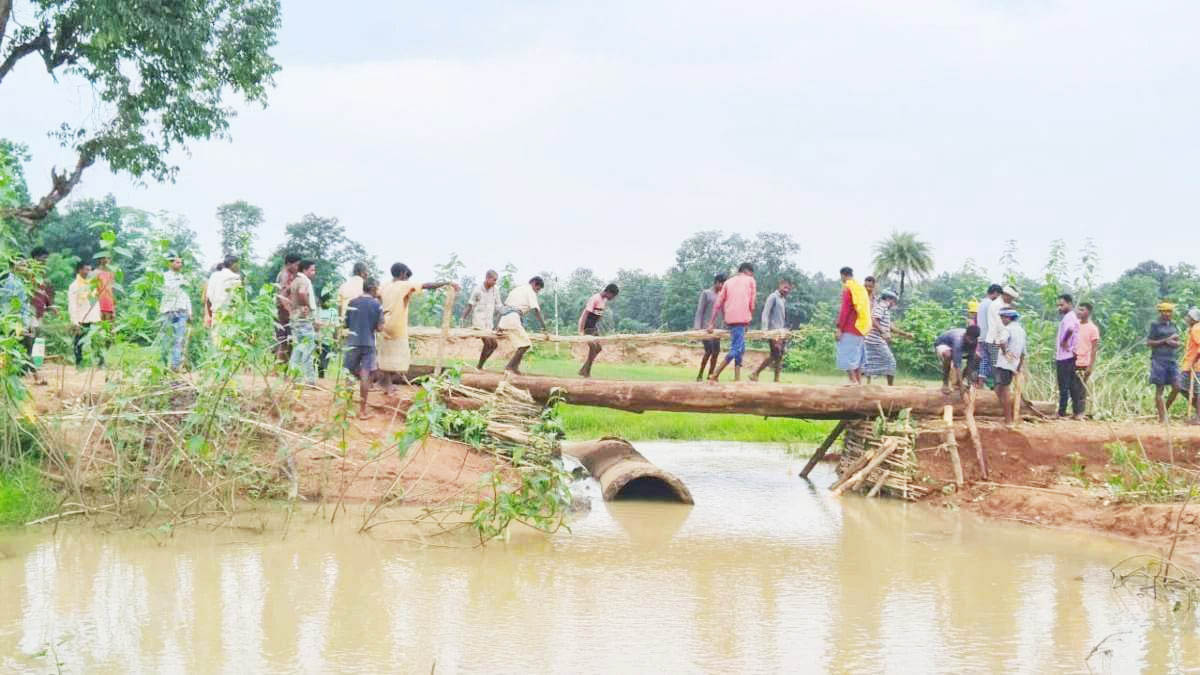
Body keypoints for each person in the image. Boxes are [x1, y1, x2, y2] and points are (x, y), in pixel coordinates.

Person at [377, 263, 460, 392]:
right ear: (402, 273)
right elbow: (427, 285)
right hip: (397, 324)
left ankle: (385, 382)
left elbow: (377, 297)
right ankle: (385, 382)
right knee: (401, 358)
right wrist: (447, 283)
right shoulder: (404, 285)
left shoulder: (385, 286)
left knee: (386, 354)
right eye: (406, 276)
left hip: (383, 323)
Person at [707, 263, 756, 382]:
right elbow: (752, 303)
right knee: (736, 349)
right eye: (751, 273)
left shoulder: (728, 282)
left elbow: (718, 304)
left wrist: (711, 323)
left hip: (730, 320)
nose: (751, 275)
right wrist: (749, 321)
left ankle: (737, 378)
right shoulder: (750, 280)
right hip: (741, 320)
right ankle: (715, 375)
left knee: (741, 348)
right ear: (747, 271)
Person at [344, 278, 383, 419]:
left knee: (348, 375)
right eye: (377, 289)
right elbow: (380, 328)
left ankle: (347, 409)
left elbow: (346, 324)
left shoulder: (352, 302)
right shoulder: (377, 305)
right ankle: (362, 411)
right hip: (368, 344)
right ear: (373, 289)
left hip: (352, 342)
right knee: (365, 375)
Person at [497, 276, 548, 375]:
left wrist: (498, 325)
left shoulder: (517, 289)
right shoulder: (530, 291)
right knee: (525, 345)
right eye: (537, 289)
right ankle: (509, 367)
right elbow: (536, 310)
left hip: (506, 318)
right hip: (513, 319)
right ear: (534, 283)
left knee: (521, 344)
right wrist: (544, 327)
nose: (537, 292)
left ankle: (515, 367)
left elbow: (504, 307)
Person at [863, 290, 911, 385]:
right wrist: (883, 331)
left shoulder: (885, 309)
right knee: (891, 362)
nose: (894, 303)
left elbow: (890, 327)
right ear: (889, 299)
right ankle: (890, 388)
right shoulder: (882, 306)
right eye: (894, 301)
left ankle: (867, 385)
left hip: (874, 341)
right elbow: (874, 320)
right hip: (875, 341)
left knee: (870, 363)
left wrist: (905, 334)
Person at [834, 266, 871, 384]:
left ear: (843, 275)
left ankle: (854, 382)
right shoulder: (860, 288)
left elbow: (845, 310)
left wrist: (839, 328)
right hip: (861, 328)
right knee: (857, 358)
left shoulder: (848, 288)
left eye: (841, 277)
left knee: (846, 355)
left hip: (850, 328)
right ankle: (859, 383)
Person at [750, 278, 791, 383]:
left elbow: (782, 317)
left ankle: (776, 379)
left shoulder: (783, 299)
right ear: (780, 285)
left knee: (779, 355)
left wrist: (785, 330)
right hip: (773, 332)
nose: (786, 290)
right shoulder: (773, 297)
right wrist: (765, 330)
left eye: (788, 288)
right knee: (776, 353)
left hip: (781, 332)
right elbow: (765, 313)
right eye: (785, 287)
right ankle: (756, 373)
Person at [287, 260, 320, 385]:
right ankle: (310, 379)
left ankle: (294, 377)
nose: (314, 272)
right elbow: (301, 293)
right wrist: (308, 306)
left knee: (298, 348)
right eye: (312, 270)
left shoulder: (295, 280)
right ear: (304, 270)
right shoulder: (304, 281)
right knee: (308, 348)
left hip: (295, 317)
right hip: (303, 318)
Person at [1147, 302, 1180, 423]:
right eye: (1165, 311)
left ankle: (1163, 409)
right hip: (1158, 360)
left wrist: (1175, 343)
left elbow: (1177, 342)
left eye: (1169, 311)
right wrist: (1166, 340)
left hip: (1172, 360)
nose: (1167, 314)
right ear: (1160, 312)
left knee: (1177, 387)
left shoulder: (1173, 325)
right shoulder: (1155, 325)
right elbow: (1149, 343)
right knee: (1159, 389)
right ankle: (1163, 418)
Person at [461, 269, 501, 370]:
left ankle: (480, 365)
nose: (495, 282)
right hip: (479, 322)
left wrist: (504, 313)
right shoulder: (477, 289)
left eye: (496, 280)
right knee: (488, 343)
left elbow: (499, 305)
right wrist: (462, 319)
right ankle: (479, 366)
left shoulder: (495, 290)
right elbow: (470, 304)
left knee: (494, 345)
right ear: (487, 278)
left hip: (489, 323)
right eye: (494, 280)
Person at [1165, 308, 1200, 424]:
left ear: (1193, 319)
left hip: (1194, 366)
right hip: (1190, 365)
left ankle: (1198, 418)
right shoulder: (1193, 329)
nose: (1186, 318)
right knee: (1187, 389)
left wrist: (1193, 362)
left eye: (1188, 317)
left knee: (1181, 386)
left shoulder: (1196, 329)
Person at [577, 283, 619, 378]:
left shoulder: (603, 301)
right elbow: (585, 314)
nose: (612, 298)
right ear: (608, 292)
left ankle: (583, 369)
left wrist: (597, 329)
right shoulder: (595, 298)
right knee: (593, 348)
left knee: (598, 348)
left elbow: (598, 316)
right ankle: (586, 372)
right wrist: (581, 330)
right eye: (613, 296)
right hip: (587, 326)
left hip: (593, 327)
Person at [159, 252, 192, 371]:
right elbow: (168, 290)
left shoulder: (183, 278)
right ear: (170, 263)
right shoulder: (164, 276)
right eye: (177, 262)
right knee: (165, 340)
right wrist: (180, 282)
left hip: (182, 311)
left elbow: (186, 295)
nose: (180, 264)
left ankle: (175, 366)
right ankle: (162, 366)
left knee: (179, 340)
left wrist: (190, 311)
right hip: (168, 311)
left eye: (181, 262)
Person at [994, 308, 1026, 427]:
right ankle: (1005, 416)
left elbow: (1002, 341)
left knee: (1005, 390)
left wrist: (1005, 352)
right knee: (998, 389)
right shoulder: (1021, 331)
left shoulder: (1007, 329)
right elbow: (1023, 352)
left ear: (1008, 318)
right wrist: (1018, 366)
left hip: (1004, 363)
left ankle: (1008, 420)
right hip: (1013, 364)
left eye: (1002, 318)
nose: (1002, 320)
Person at [1054, 294, 1084, 419]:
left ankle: (1061, 412)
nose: (1059, 308)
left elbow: (1070, 329)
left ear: (1069, 304)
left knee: (1064, 386)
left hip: (1065, 357)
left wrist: (1064, 341)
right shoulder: (1070, 317)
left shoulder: (1069, 317)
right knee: (1072, 385)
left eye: (1062, 305)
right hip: (1069, 356)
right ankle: (1076, 412)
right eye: (1058, 306)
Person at [27, 247, 53, 384]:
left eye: (46, 259)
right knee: (29, 342)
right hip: (28, 312)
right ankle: (35, 375)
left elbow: (45, 293)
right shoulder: (28, 272)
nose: (45, 261)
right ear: (35, 258)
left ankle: (31, 370)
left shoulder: (41, 275)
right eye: (43, 258)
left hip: (38, 313)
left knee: (33, 341)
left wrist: (50, 306)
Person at [693, 274, 725, 382]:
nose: (722, 286)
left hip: (717, 329)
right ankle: (700, 374)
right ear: (716, 282)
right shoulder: (706, 293)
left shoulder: (722, 295)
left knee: (716, 352)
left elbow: (724, 312)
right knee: (709, 350)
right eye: (721, 283)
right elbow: (700, 310)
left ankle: (711, 375)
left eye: (723, 284)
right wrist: (697, 327)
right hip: (705, 329)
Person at [68, 261, 99, 367]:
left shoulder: (92, 285)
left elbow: (96, 302)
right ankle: (79, 362)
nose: (88, 272)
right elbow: (72, 305)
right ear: (79, 270)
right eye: (86, 269)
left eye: (90, 270)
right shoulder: (74, 286)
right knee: (79, 341)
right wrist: (75, 321)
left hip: (94, 318)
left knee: (97, 339)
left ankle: (100, 361)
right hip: (81, 318)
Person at [936, 325, 981, 393]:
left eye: (973, 340)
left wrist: (969, 381)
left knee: (977, 358)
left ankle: (958, 383)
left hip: (959, 348)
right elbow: (957, 366)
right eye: (970, 339)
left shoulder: (974, 340)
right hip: (943, 344)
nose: (971, 342)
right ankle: (945, 383)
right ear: (965, 335)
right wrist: (962, 385)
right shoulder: (958, 341)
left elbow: (970, 362)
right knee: (948, 355)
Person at [207, 256, 242, 343]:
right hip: (229, 313)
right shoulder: (235, 277)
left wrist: (210, 314)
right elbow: (238, 299)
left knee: (216, 341)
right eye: (237, 264)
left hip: (216, 312)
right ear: (232, 264)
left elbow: (208, 298)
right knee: (229, 341)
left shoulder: (214, 276)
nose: (238, 267)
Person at [1074, 301, 1100, 413]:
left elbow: (1094, 348)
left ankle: (1080, 412)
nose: (1079, 312)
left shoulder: (1093, 328)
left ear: (1088, 312)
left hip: (1084, 362)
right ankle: (1074, 411)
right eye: (1078, 309)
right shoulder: (1075, 325)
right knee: (1073, 388)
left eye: (1082, 310)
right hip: (1073, 361)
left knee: (1081, 389)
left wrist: (1091, 365)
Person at [275, 253, 301, 361]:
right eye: (296, 265)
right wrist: (290, 312)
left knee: (287, 341)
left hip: (286, 311)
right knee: (284, 341)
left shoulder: (290, 275)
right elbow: (282, 297)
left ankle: (284, 367)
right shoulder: (284, 275)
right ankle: (278, 368)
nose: (298, 268)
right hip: (283, 312)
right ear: (289, 264)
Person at [976, 284, 1003, 386]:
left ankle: (981, 383)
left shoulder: (981, 303)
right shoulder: (992, 304)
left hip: (981, 337)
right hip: (990, 337)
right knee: (995, 361)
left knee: (984, 360)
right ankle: (996, 385)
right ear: (995, 293)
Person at [316, 290, 338, 379]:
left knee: (326, 358)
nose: (329, 303)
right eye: (327, 301)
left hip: (328, 339)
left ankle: (321, 373)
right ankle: (320, 375)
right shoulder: (317, 311)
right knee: (318, 358)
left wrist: (336, 339)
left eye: (330, 301)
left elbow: (336, 326)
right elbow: (315, 325)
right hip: (318, 339)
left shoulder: (333, 312)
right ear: (322, 301)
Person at [90, 255, 116, 321]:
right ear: (100, 260)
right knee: (99, 323)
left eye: (108, 258)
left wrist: (114, 307)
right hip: (99, 301)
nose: (106, 260)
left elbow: (113, 290)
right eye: (104, 258)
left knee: (109, 324)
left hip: (109, 302)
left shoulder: (112, 273)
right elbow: (92, 289)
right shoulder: (95, 272)